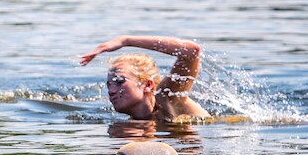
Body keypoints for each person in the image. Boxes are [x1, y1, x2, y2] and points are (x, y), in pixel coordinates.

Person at [79, 35, 211, 121]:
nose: (111, 91)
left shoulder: (168, 99)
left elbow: (191, 52)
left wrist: (126, 41)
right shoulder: (130, 122)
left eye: (120, 82)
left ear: (147, 85)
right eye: (109, 84)